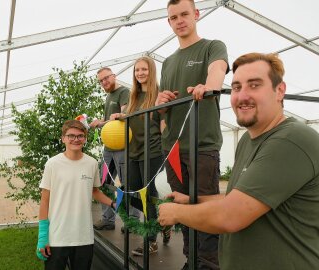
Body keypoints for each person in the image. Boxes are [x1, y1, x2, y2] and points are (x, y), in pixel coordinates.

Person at [158, 52, 319, 270]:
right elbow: (235, 200)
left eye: (255, 85)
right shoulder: (248, 141)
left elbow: (229, 216)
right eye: (237, 87)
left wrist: (176, 212)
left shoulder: (293, 139)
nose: (242, 96)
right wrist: (192, 200)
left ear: (280, 91)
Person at [155, 0, 229, 269]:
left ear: (196, 14)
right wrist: (161, 101)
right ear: (169, 22)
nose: (180, 20)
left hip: (202, 145)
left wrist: (209, 87)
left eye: (184, 14)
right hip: (172, 149)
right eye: (174, 17)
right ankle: (191, 259)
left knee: (205, 208)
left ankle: (208, 263)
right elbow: (161, 109)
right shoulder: (168, 62)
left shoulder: (212, 46)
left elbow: (217, 69)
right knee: (182, 208)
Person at [36, 119, 116, 270]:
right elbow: (45, 200)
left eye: (80, 136)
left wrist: (113, 203)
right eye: (71, 135)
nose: (76, 139)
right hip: (57, 237)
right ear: (63, 138)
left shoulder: (92, 163)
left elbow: (94, 191)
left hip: (83, 237)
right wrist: (42, 236)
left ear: (85, 139)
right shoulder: (52, 164)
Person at [110, 56, 169, 256]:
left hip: (152, 152)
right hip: (133, 152)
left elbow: (164, 126)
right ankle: (164, 220)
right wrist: (119, 116)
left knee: (150, 197)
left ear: (151, 71)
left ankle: (151, 241)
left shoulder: (158, 95)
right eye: (137, 70)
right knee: (131, 191)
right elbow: (126, 118)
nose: (140, 73)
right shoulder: (133, 97)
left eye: (144, 69)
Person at [90, 67, 140, 230]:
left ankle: (132, 220)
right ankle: (108, 219)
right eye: (101, 80)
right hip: (108, 148)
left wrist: (101, 123)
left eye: (106, 78)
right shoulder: (109, 96)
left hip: (122, 148)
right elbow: (110, 121)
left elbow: (122, 116)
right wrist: (100, 122)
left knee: (127, 184)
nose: (104, 82)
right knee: (104, 182)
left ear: (114, 76)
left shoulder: (124, 92)